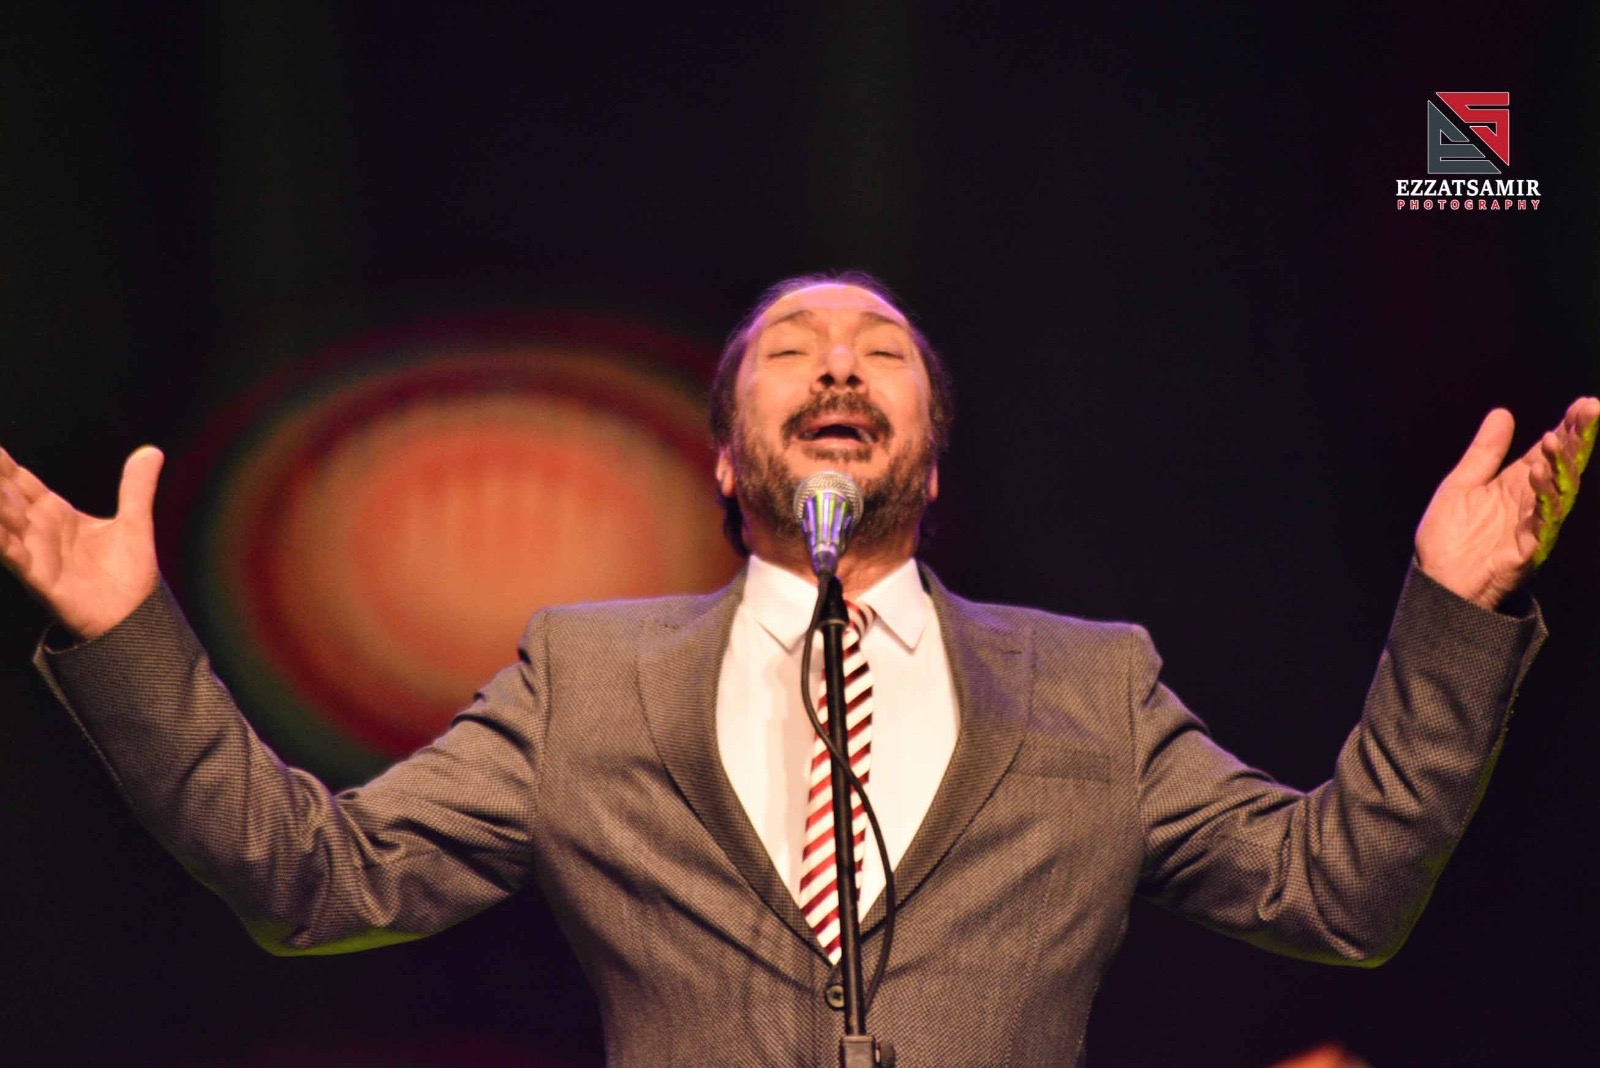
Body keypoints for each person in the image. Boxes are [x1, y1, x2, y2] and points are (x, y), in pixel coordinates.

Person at [1, 273, 1595, 1067]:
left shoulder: (1091, 690)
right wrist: (126, 631)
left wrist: (1453, 613)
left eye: (881, 351)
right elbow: (314, 878)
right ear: (722, 456)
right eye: (791, 351)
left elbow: (1338, 893)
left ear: (935, 464)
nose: (838, 361)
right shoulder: (587, 679)